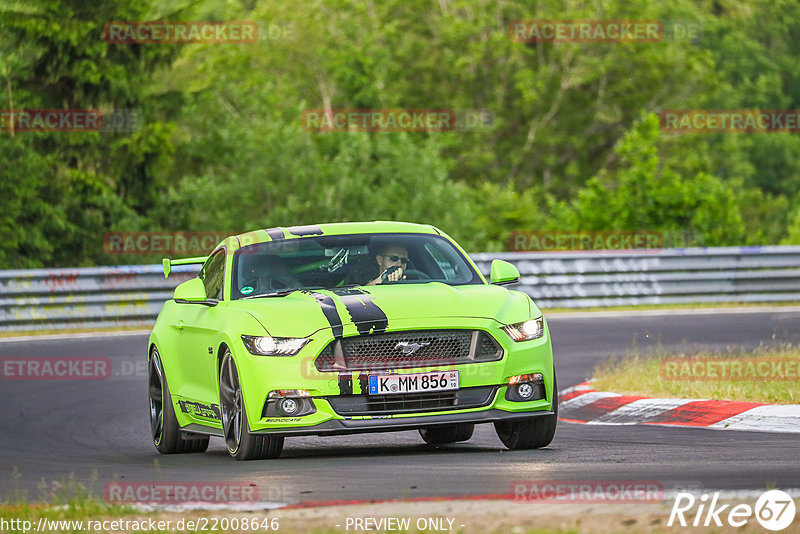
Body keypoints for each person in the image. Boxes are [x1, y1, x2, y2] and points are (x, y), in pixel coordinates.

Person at [345, 243, 410, 286]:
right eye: (394, 258)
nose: (399, 263)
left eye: (404, 260)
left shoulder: (416, 280)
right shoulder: (363, 278)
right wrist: (383, 278)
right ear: (380, 260)